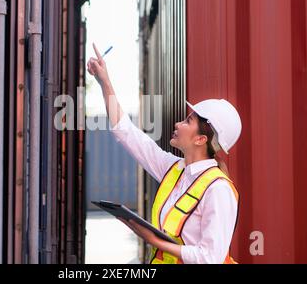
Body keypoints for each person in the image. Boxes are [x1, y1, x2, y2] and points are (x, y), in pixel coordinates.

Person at [87, 43, 242, 264]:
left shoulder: (219, 189)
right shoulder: (174, 170)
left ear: (201, 139)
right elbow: (126, 132)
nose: (178, 124)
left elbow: (210, 259)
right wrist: (104, 81)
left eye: (188, 121)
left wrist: (156, 241)